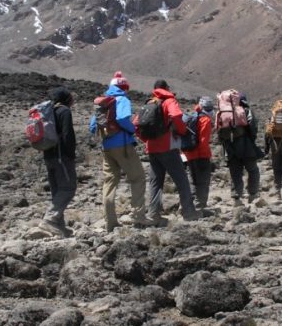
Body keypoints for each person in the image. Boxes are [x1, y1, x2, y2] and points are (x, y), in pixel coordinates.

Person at [90, 73, 147, 232]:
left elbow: (92, 127)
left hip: (106, 147)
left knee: (109, 182)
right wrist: (132, 130)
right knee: (137, 178)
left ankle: (110, 221)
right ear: (124, 87)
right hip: (122, 145)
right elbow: (122, 119)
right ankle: (138, 216)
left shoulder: (102, 103)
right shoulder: (122, 100)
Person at [138, 80, 198, 225]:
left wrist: (146, 140)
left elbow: (136, 124)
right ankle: (189, 213)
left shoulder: (149, 103)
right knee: (181, 180)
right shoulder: (169, 101)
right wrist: (183, 131)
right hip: (168, 147)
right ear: (166, 88)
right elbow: (177, 116)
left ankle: (153, 214)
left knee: (155, 182)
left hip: (152, 149)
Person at [37, 87, 78, 236]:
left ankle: (59, 226)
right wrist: (71, 155)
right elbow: (68, 135)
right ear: (66, 99)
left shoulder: (49, 112)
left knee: (57, 190)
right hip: (62, 157)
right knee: (68, 187)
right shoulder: (64, 111)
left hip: (48, 155)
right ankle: (49, 219)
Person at [221, 94, 262, 205]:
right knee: (253, 170)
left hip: (230, 147)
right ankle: (252, 195)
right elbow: (253, 128)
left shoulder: (223, 113)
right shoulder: (246, 111)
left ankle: (236, 198)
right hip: (246, 146)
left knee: (235, 173)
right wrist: (251, 140)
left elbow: (220, 133)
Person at [182, 96, 214, 210]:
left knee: (193, 178)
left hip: (189, 154)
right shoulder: (205, 120)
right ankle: (201, 204)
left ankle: (191, 202)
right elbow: (203, 142)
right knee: (203, 180)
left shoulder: (190, 117)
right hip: (201, 155)